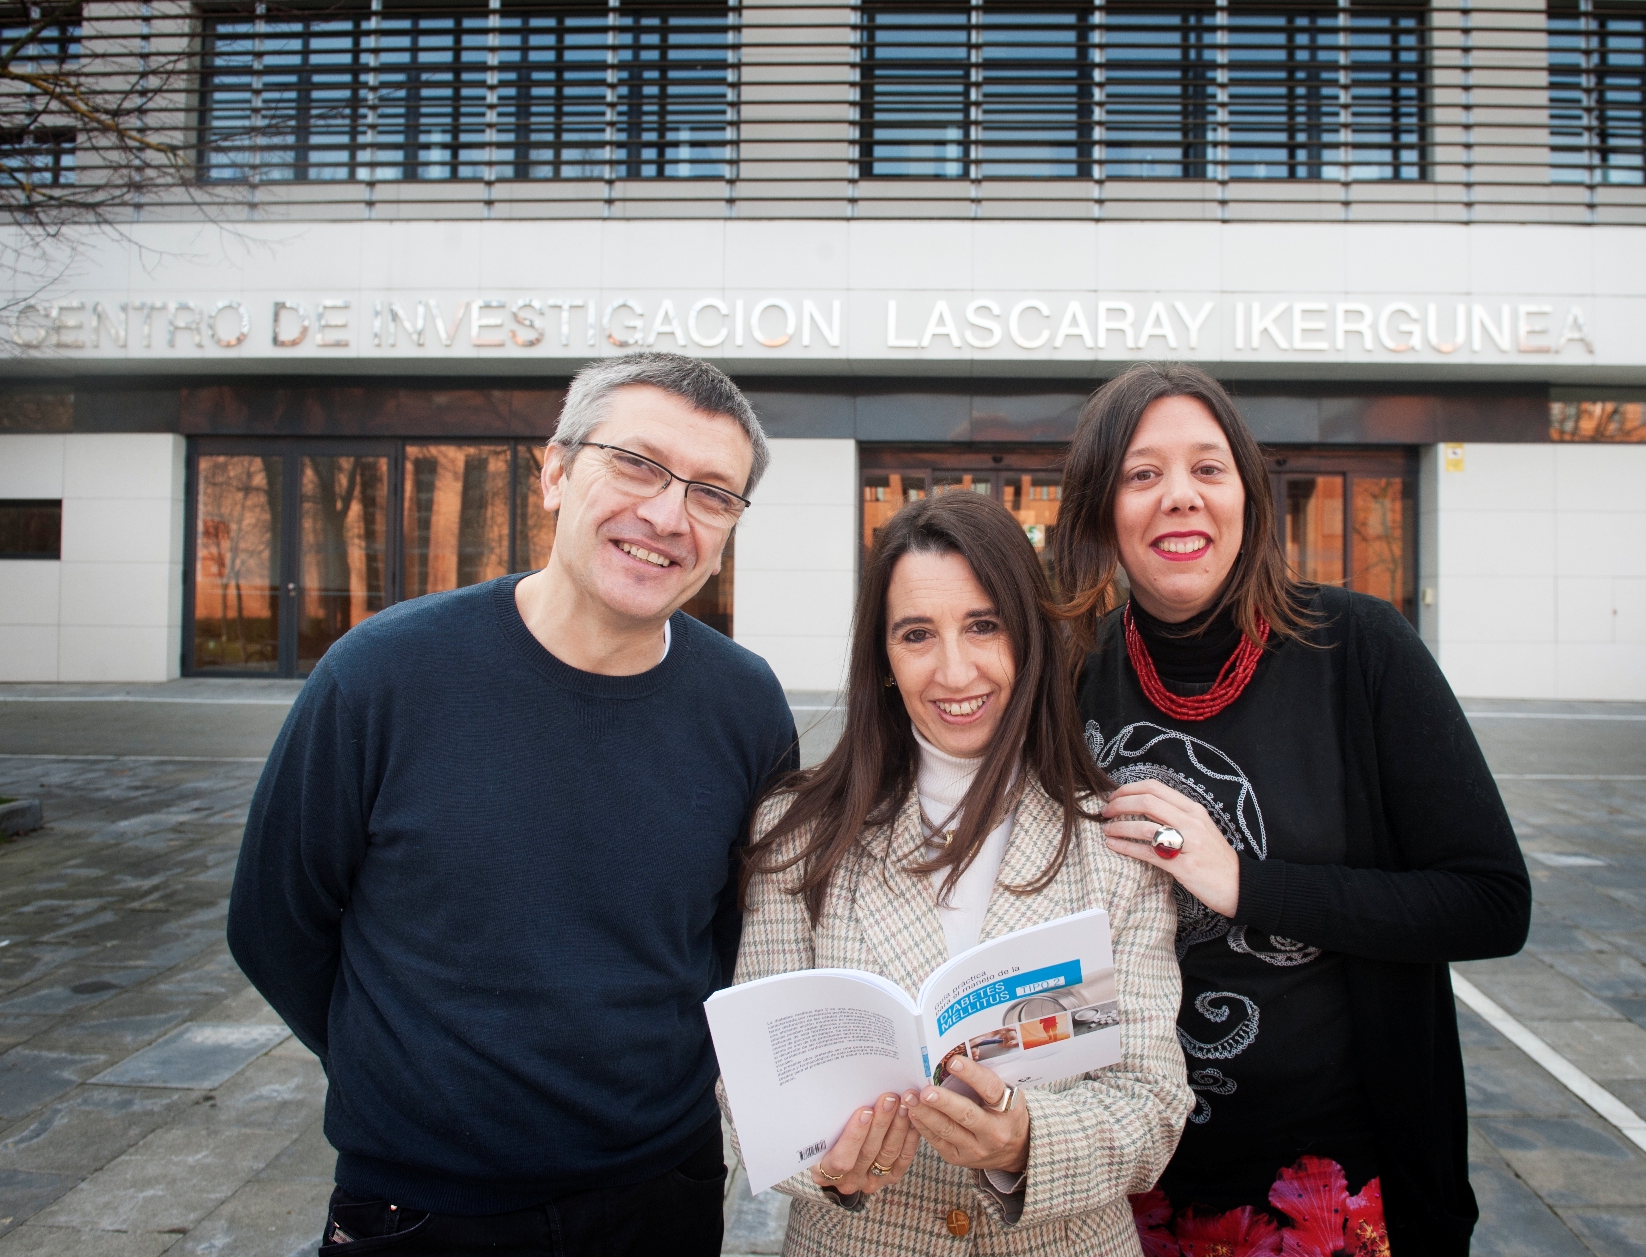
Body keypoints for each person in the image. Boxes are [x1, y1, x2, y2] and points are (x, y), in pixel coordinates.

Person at [228, 352, 798, 1256]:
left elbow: (738, 934)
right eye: (638, 464)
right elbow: (273, 922)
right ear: (556, 472)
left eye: (711, 493)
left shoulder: (746, 703)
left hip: (663, 1190)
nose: (666, 514)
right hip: (424, 1204)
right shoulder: (382, 674)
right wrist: (410, 1070)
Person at [1050, 363, 1531, 1256]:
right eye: (1142, 473)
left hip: (1331, 1188)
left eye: (1207, 467)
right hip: (1125, 1182)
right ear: (1098, 508)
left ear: (1245, 495)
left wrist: (1244, 882)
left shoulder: (1356, 647)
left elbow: (1490, 901)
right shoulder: (1069, 671)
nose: (1179, 498)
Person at [735, 491, 1192, 1256]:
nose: (954, 669)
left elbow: (1153, 1103)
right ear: (882, 659)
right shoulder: (799, 836)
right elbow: (749, 1099)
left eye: (983, 624)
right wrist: (828, 1168)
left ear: (1028, 637)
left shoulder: (1111, 840)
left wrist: (1024, 1141)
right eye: (917, 634)